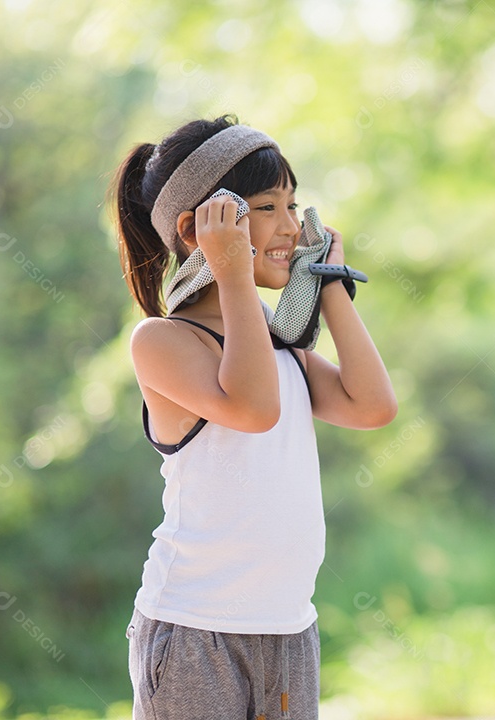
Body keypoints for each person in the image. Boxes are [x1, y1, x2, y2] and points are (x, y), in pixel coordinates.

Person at [110, 114, 397, 720]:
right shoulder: (162, 341)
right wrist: (237, 272)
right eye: (268, 207)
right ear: (197, 229)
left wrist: (329, 285)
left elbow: (373, 407)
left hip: (289, 629)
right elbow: (253, 409)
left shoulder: (276, 348)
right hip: (194, 631)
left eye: (295, 205)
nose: (292, 227)